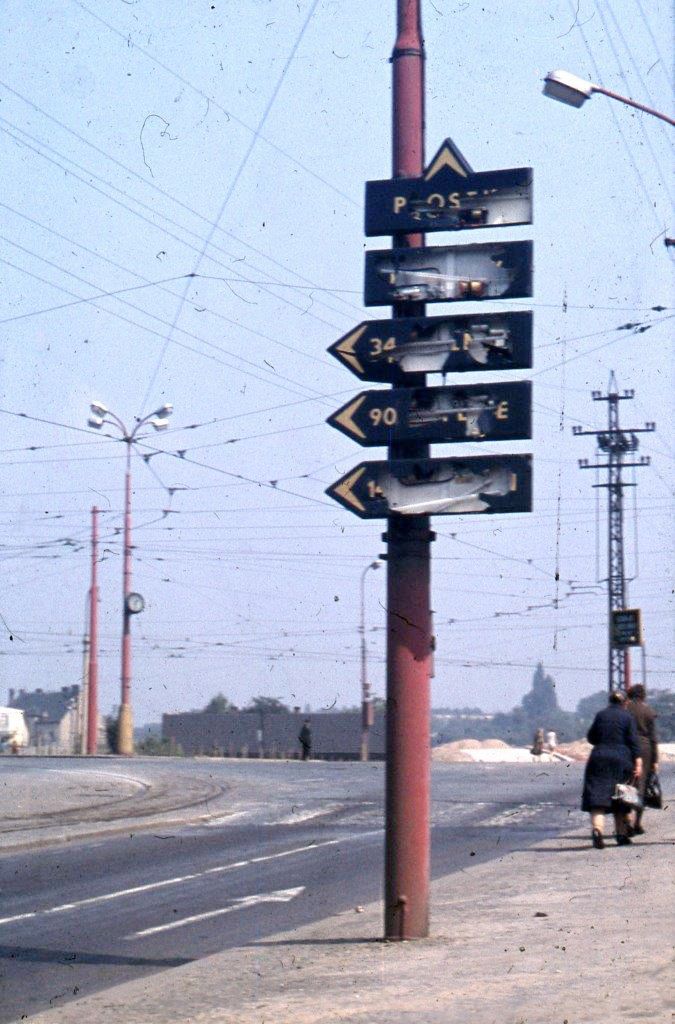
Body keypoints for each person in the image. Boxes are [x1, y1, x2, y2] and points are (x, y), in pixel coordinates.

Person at [581, 690, 642, 849]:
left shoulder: (600, 715)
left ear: (610, 701)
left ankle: (597, 831)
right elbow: (634, 742)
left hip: (599, 757)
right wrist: (638, 764)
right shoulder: (628, 717)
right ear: (625, 702)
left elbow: (591, 738)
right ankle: (621, 835)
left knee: (597, 798)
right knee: (620, 797)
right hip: (622, 759)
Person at [625, 684, 660, 835]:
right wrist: (655, 760)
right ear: (643, 695)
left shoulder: (625, 709)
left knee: (627, 783)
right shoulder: (649, 711)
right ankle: (637, 823)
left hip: (627, 747)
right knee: (642, 786)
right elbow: (653, 738)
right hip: (645, 749)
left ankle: (626, 821)